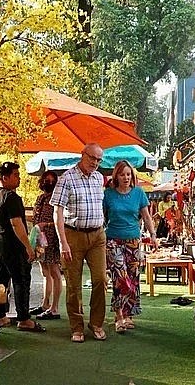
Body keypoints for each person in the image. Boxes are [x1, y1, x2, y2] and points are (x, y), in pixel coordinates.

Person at [50, 143, 107, 343]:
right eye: (92, 158)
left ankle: (97, 323)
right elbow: (57, 212)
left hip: (98, 235)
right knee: (74, 284)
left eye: (99, 160)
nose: (95, 163)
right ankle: (77, 327)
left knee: (101, 279)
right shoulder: (66, 179)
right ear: (82, 155)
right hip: (73, 235)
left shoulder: (99, 178)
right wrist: (62, 242)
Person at [0, 161, 46, 332]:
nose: (18, 178)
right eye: (15, 175)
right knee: (21, 281)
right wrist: (28, 247)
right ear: (5, 178)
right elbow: (16, 224)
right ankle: (24, 318)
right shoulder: (11, 197)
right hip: (13, 247)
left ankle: (0, 316)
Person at [103, 160, 158, 333]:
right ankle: (119, 316)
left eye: (128, 174)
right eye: (122, 174)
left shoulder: (138, 193)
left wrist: (153, 235)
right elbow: (102, 217)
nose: (126, 177)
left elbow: (147, 217)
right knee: (120, 277)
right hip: (112, 240)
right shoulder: (108, 195)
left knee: (133, 278)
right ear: (116, 176)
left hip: (133, 240)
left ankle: (128, 315)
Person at [30, 171, 62, 321]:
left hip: (52, 239)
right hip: (40, 238)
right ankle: (45, 304)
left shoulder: (57, 199)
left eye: (51, 180)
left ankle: (54, 308)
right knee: (44, 271)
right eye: (46, 180)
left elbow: (60, 220)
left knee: (55, 272)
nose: (48, 182)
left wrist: (46, 224)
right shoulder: (40, 198)